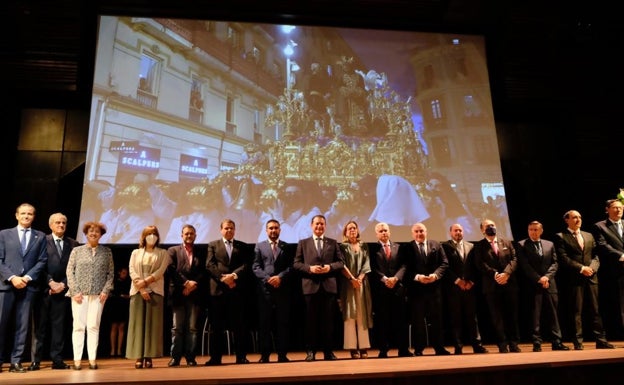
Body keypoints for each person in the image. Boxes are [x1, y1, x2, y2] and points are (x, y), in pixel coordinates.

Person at [554, 210, 614, 350]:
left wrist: (592, 268)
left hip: (592, 276)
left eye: (579, 217)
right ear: (566, 220)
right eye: (574, 217)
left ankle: (600, 339)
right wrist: (582, 268)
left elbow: (596, 256)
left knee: (596, 309)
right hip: (574, 278)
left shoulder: (588, 235)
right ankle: (578, 341)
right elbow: (563, 258)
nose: (578, 219)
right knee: (576, 310)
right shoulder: (561, 236)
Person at [0, 203, 47, 373]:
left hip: (28, 286)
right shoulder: (4, 234)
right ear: (16, 215)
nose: (26, 216)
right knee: (1, 324)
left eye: (30, 214)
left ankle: (16, 362)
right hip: (7, 285)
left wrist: (26, 278)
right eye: (23, 213)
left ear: (34, 216)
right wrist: (13, 278)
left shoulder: (40, 236)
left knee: (22, 326)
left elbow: (42, 261)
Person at [29, 212, 79, 371]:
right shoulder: (42, 241)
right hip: (43, 291)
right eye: (57, 223)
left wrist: (63, 284)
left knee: (59, 328)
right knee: (40, 328)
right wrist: (50, 282)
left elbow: (75, 268)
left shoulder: (74, 244)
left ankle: (57, 360)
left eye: (63, 223)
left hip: (63, 292)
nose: (61, 225)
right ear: (51, 225)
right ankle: (35, 361)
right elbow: (37, 265)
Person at [293, 214, 345, 361]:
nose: (319, 227)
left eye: (322, 224)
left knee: (328, 322)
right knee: (310, 322)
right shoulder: (303, 243)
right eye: (317, 224)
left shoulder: (333, 242)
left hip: (328, 287)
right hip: (310, 287)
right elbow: (296, 263)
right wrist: (310, 269)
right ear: (311, 225)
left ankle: (328, 352)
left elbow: (341, 263)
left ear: (325, 226)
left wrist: (329, 267)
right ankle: (311, 352)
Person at [66, 221, 114, 370]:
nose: (93, 233)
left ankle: (92, 360)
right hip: (79, 294)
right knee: (79, 327)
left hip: (98, 295)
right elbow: (69, 272)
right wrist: (75, 291)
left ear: (101, 235)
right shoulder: (77, 251)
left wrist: (106, 290)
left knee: (94, 326)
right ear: (86, 234)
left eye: (97, 232)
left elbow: (110, 274)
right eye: (91, 231)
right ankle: (77, 360)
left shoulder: (107, 252)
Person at [204, 219, 252, 366]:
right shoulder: (213, 245)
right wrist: (223, 278)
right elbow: (209, 265)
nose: (229, 231)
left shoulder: (242, 246)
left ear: (235, 230)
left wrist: (233, 276)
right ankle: (215, 358)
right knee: (217, 327)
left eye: (231, 228)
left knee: (239, 326)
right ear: (221, 230)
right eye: (226, 228)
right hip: (218, 291)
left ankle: (241, 357)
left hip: (236, 290)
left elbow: (246, 265)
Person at [517, 221, 569, 352]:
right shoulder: (522, 245)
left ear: (541, 231)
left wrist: (547, 277)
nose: (533, 232)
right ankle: (537, 343)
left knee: (553, 314)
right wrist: (539, 278)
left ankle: (557, 342)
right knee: (535, 315)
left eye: (535, 229)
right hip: (533, 285)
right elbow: (525, 265)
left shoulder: (549, 244)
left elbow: (555, 263)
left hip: (550, 284)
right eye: (530, 230)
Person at [472, 218, 521, 353]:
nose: (491, 228)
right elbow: (480, 264)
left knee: (511, 315)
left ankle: (514, 343)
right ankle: (502, 343)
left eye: (493, 225)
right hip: (492, 286)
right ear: (482, 230)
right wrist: (495, 274)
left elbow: (515, 259)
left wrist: (506, 273)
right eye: (488, 226)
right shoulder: (479, 246)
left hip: (509, 284)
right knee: (497, 317)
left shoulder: (506, 242)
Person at [440, 223, 488, 355]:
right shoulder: (444, 246)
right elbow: (445, 267)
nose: (458, 232)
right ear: (450, 232)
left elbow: (475, 266)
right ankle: (458, 346)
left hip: (469, 288)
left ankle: (477, 345)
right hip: (453, 288)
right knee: (456, 318)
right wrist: (458, 281)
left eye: (460, 230)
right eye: (455, 230)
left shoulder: (471, 246)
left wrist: (471, 281)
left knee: (472, 318)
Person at [403, 222, 450, 356]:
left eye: (421, 231)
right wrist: (418, 277)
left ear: (426, 231)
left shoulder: (436, 244)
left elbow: (444, 263)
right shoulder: (407, 248)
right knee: (418, 321)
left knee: (437, 320)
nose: (419, 234)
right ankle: (419, 349)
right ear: (413, 233)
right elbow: (405, 267)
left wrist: (435, 275)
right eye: (416, 231)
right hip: (416, 291)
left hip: (434, 289)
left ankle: (439, 348)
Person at [126, 225, 169, 369]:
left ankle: (149, 356)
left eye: (154, 233)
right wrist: (142, 288)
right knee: (137, 324)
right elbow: (132, 270)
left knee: (153, 325)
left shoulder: (163, 253)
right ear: (143, 236)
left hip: (155, 291)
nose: (152, 236)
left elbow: (160, 271)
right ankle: (138, 356)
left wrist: (146, 283)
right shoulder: (135, 252)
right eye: (149, 234)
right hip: (138, 292)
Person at [252, 219, 294, 363]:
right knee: (265, 324)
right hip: (265, 291)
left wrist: (280, 277)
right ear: (266, 230)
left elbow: (291, 267)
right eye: (270, 228)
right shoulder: (259, 246)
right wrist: (269, 279)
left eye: (276, 228)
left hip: (282, 290)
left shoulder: (286, 247)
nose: (273, 230)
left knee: (282, 324)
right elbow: (256, 267)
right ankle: (265, 356)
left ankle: (282, 355)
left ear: (280, 230)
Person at [369, 222, 412, 358]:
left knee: (401, 320)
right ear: (376, 234)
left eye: (385, 230)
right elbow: (372, 267)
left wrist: (396, 278)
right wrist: (385, 279)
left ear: (389, 232)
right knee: (382, 321)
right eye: (381, 231)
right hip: (381, 290)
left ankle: (403, 349)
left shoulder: (399, 247)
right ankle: (383, 350)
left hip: (397, 289)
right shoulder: (372, 249)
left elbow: (405, 265)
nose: (383, 233)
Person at [167, 224, 207, 367]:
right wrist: (185, 284)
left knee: (192, 328)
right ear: (181, 235)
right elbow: (171, 270)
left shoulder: (201, 251)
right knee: (177, 328)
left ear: (195, 235)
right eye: (186, 234)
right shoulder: (172, 250)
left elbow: (203, 271)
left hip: (194, 294)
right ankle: (175, 358)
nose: (189, 236)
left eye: (191, 233)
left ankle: (191, 358)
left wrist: (192, 285)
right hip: (178, 294)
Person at [338, 220, 373, 359]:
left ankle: (364, 346)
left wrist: (360, 278)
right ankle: (352, 347)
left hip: (362, 284)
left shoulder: (364, 246)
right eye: (349, 228)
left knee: (362, 314)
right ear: (345, 232)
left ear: (358, 230)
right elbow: (342, 265)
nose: (352, 230)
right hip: (348, 284)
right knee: (350, 315)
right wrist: (352, 279)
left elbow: (366, 264)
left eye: (354, 228)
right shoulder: (342, 247)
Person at [592, 199, 624, 339]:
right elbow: (603, 245)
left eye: (620, 207)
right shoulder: (600, 226)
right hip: (613, 271)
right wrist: (621, 255)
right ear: (607, 210)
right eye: (615, 208)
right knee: (618, 304)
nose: (618, 210)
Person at [107, 266, 130, 358]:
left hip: (123, 306)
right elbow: (112, 294)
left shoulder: (128, 283)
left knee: (122, 327)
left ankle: (119, 350)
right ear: (119, 272)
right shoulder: (114, 282)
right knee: (114, 327)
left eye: (126, 273)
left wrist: (125, 296)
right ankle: (112, 350)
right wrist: (120, 295)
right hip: (115, 306)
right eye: (123, 273)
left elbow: (129, 295)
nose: (125, 275)